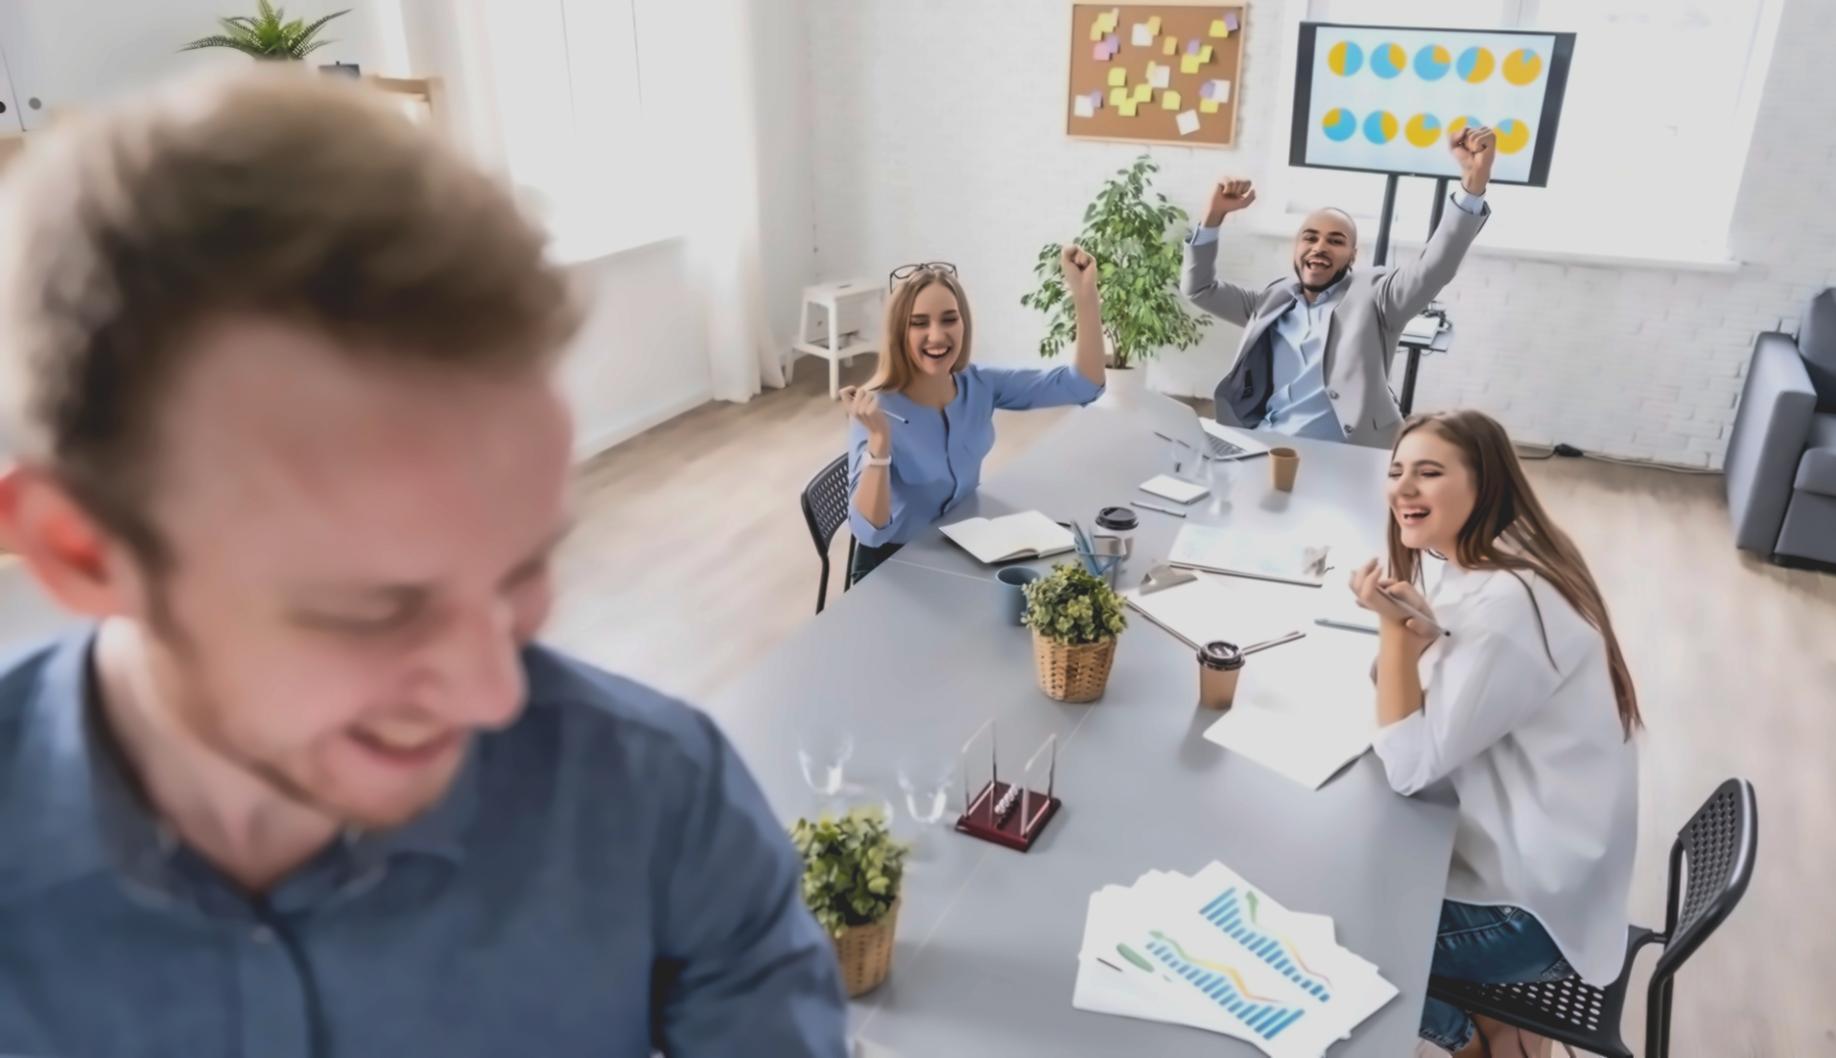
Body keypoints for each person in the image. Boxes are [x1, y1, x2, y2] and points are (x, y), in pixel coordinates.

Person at [0, 69, 846, 1057]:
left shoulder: (658, 798)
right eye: (373, 608)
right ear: (82, 549)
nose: (496, 694)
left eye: (522, 568)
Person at [1346, 410, 1641, 1058]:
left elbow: (1408, 764)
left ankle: (1470, 1037)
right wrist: (1411, 637)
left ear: (1485, 484)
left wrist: (1396, 634)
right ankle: (1497, 1030)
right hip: (1552, 876)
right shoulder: (1487, 561)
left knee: (1339, 929)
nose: (1402, 489)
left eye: (1428, 473)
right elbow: (1411, 693)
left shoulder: (1508, 605)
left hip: (1527, 919)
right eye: (1395, 471)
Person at [1182, 127, 1498, 448]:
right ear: (1296, 247)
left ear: (1353, 256)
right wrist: (1213, 215)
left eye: (1336, 241)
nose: (1320, 247)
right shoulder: (1273, 299)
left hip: (1344, 453)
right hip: (1265, 442)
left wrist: (1473, 185)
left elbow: (1434, 268)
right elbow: (1199, 288)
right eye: (1310, 237)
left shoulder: (1377, 298)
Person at [841, 249, 1105, 580]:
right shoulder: (876, 409)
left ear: (964, 323)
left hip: (959, 547)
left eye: (949, 319)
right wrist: (879, 444)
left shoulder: (979, 384)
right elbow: (869, 533)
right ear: (899, 333)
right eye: (919, 323)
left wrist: (1085, 295)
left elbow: (1083, 385)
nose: (937, 336)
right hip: (893, 567)